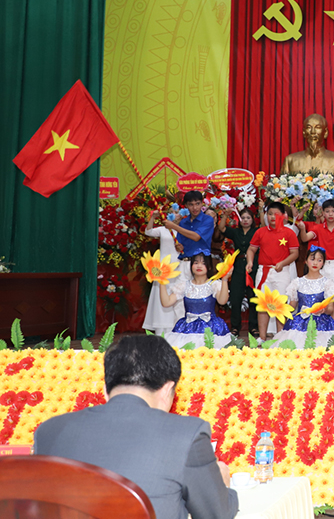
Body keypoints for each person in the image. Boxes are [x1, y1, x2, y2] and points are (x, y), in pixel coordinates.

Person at [34, 335, 238, 519]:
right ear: (167, 390)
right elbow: (216, 514)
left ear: (105, 390)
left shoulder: (48, 431)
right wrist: (223, 486)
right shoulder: (186, 435)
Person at [245, 201, 299, 342]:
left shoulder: (289, 233)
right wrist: (250, 262)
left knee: (281, 304)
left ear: (284, 215)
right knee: (263, 304)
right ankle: (262, 337)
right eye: (269, 214)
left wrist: (283, 263)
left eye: (276, 214)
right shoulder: (260, 232)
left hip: (281, 271)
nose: (272, 217)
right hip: (263, 271)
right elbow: (251, 249)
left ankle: (280, 337)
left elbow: (295, 253)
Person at [296, 199, 334, 324]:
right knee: (321, 297)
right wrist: (302, 229)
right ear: (323, 213)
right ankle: (321, 327)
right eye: (327, 211)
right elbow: (305, 238)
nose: (330, 214)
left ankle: (333, 329)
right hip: (323, 265)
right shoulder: (318, 228)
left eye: (333, 211)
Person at [273, 246, 334, 347]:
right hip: (300, 322)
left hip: (321, 323)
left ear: (323, 263)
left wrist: (323, 310)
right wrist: (280, 308)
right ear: (306, 261)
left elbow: (330, 309)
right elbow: (292, 307)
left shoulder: (328, 283)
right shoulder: (297, 282)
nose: (315, 263)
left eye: (319, 260)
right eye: (312, 259)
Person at [160, 253, 231, 348]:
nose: (199, 266)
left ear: (209, 266)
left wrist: (225, 280)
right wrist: (161, 281)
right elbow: (166, 302)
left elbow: (222, 301)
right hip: (187, 328)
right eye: (196, 263)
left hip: (211, 328)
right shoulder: (184, 285)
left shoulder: (214, 284)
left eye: (203, 263)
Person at [143, 209, 184, 334]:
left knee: (176, 295)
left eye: (177, 212)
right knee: (161, 294)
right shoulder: (163, 229)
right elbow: (148, 231)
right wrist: (153, 217)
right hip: (163, 267)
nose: (174, 214)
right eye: (172, 212)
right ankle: (160, 326)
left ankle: (177, 325)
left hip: (178, 266)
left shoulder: (184, 230)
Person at [218, 208, 257, 337]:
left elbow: (264, 224)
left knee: (253, 297)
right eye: (243, 218)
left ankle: (254, 327)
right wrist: (225, 215)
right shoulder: (236, 232)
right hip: (238, 266)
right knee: (236, 297)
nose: (245, 220)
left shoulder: (256, 232)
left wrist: (262, 210)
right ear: (239, 220)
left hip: (253, 266)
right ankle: (235, 327)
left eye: (248, 218)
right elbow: (222, 228)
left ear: (252, 220)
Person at [164, 191, 215, 282]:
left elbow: (196, 237)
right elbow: (179, 246)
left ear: (202, 203)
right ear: (186, 206)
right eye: (191, 204)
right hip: (184, 264)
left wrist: (174, 226)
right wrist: (179, 247)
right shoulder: (184, 222)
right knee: (180, 290)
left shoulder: (208, 220)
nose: (195, 208)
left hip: (201, 264)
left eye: (197, 204)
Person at [280, 112, 334, 176]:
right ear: (304, 132)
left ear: (325, 132)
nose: (313, 132)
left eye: (318, 127)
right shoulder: (290, 160)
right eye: (309, 127)